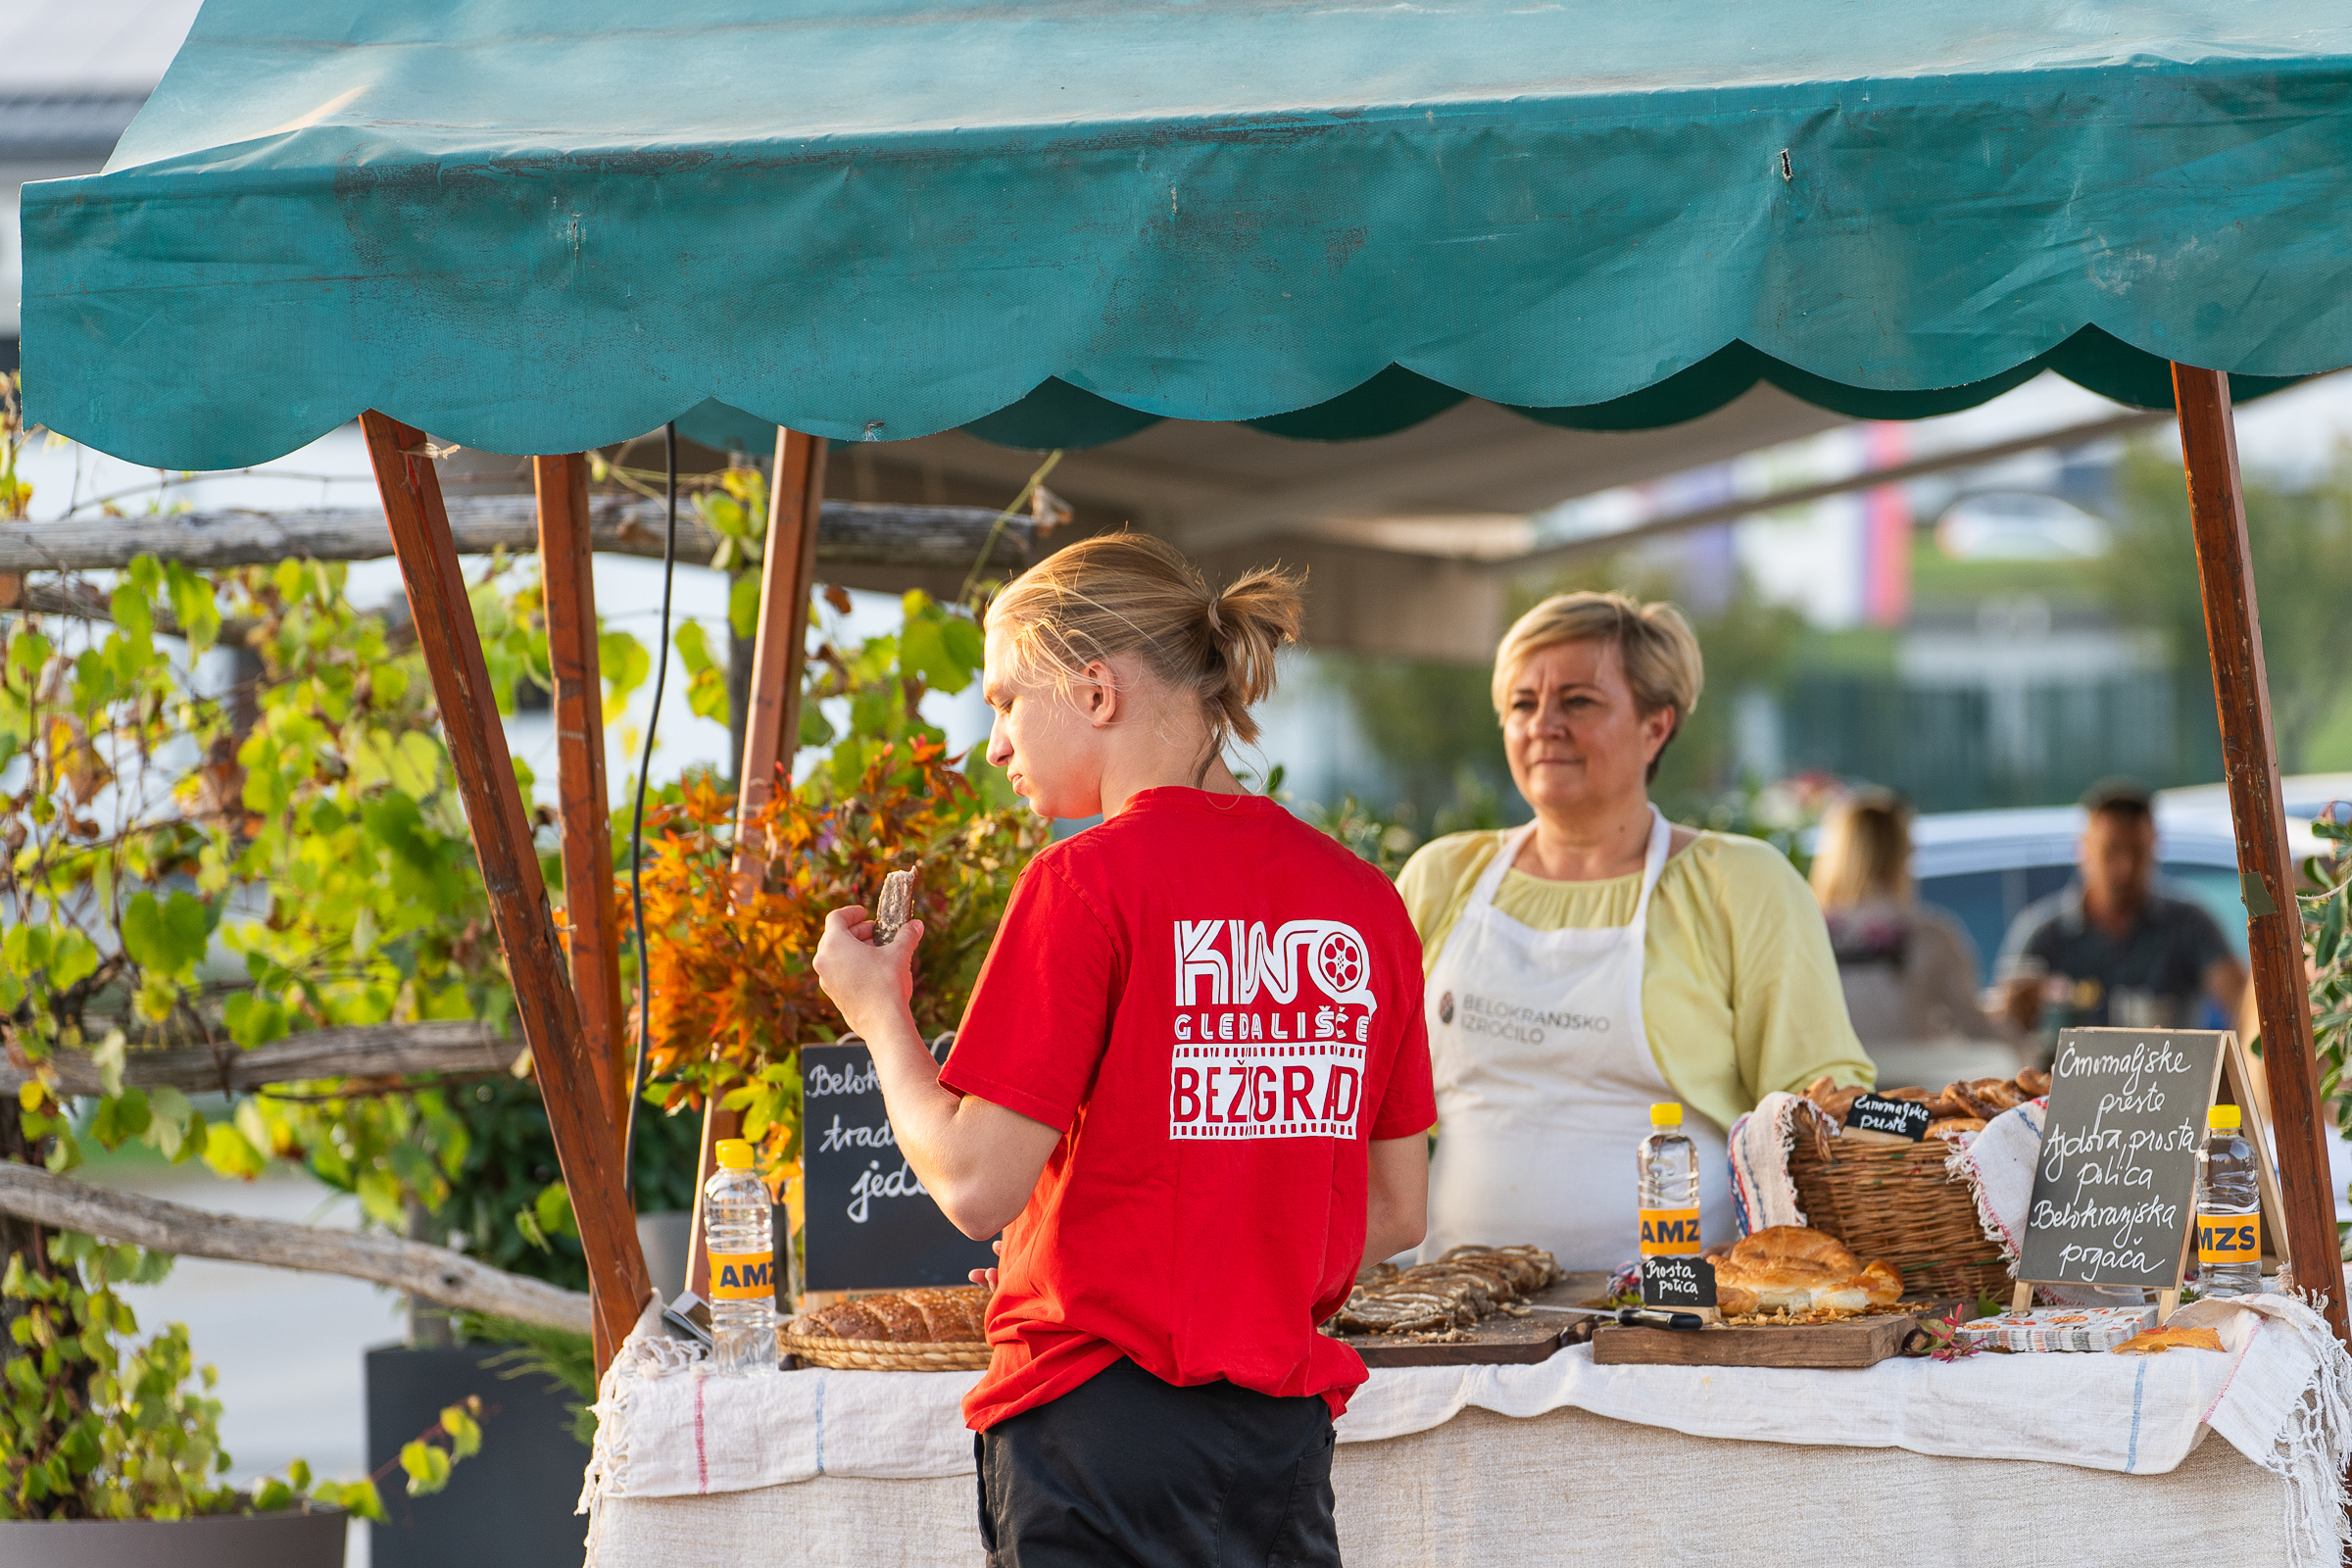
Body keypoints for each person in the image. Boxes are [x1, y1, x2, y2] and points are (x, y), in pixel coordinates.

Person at [813, 533, 1435, 1568]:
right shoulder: (1364, 900)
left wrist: (878, 1015)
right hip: (1277, 1438)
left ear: (1095, 691)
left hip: (1090, 1429)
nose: (996, 744)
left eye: (1006, 701)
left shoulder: (1084, 883)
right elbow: (1398, 1209)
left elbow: (973, 1184)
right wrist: (1219, 1267)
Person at [1394, 591, 1873, 1272]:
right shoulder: (1442, 876)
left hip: (1675, 1307)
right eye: (1523, 704)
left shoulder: (1739, 884)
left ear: (1656, 726)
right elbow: (1361, 1097)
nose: (1544, 725)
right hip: (1457, 1298)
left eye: (1578, 701)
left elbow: (1821, 1101)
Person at [1995, 779, 2247, 1056]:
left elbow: (2242, 1002)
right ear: (2083, 849)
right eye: (2111, 851)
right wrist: (2017, 1012)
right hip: (2063, 1082)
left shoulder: (2190, 924)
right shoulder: (2042, 935)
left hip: (2167, 1079)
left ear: (2154, 848)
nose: (2125, 868)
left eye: (2137, 852)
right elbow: (2003, 1033)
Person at [1809, 791, 2004, 1050]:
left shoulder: (1805, 936)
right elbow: (1977, 1029)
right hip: (1917, 1075)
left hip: (1835, 1075)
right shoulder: (1932, 936)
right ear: (1902, 854)